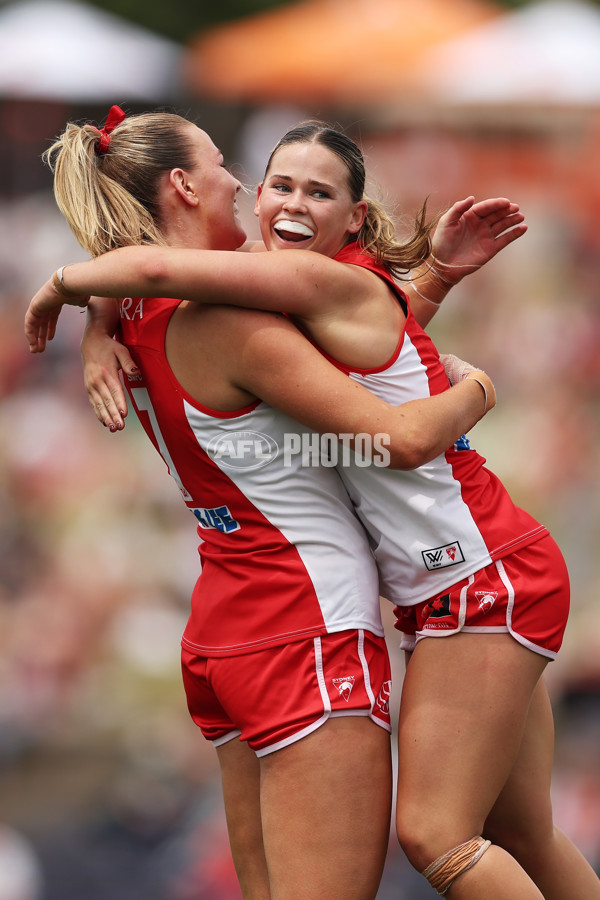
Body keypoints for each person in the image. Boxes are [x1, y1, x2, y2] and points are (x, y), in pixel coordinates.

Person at [27, 115, 600, 900]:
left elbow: (343, 357)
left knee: (479, 832)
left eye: (315, 190)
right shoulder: (229, 308)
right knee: (465, 835)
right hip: (311, 621)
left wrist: (89, 310)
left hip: (252, 618)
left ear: (355, 216)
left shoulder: (151, 311)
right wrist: (479, 388)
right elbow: (390, 429)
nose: (243, 184)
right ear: (190, 187)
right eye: (241, 171)